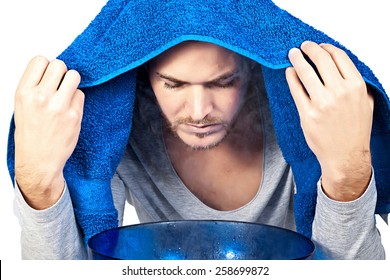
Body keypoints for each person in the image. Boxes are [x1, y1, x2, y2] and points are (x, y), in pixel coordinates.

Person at [8, 0, 389, 260]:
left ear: (254, 70)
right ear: (143, 76)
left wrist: (347, 172)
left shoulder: (302, 115)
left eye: (223, 82)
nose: (198, 112)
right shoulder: (110, 130)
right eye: (173, 84)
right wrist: (37, 179)